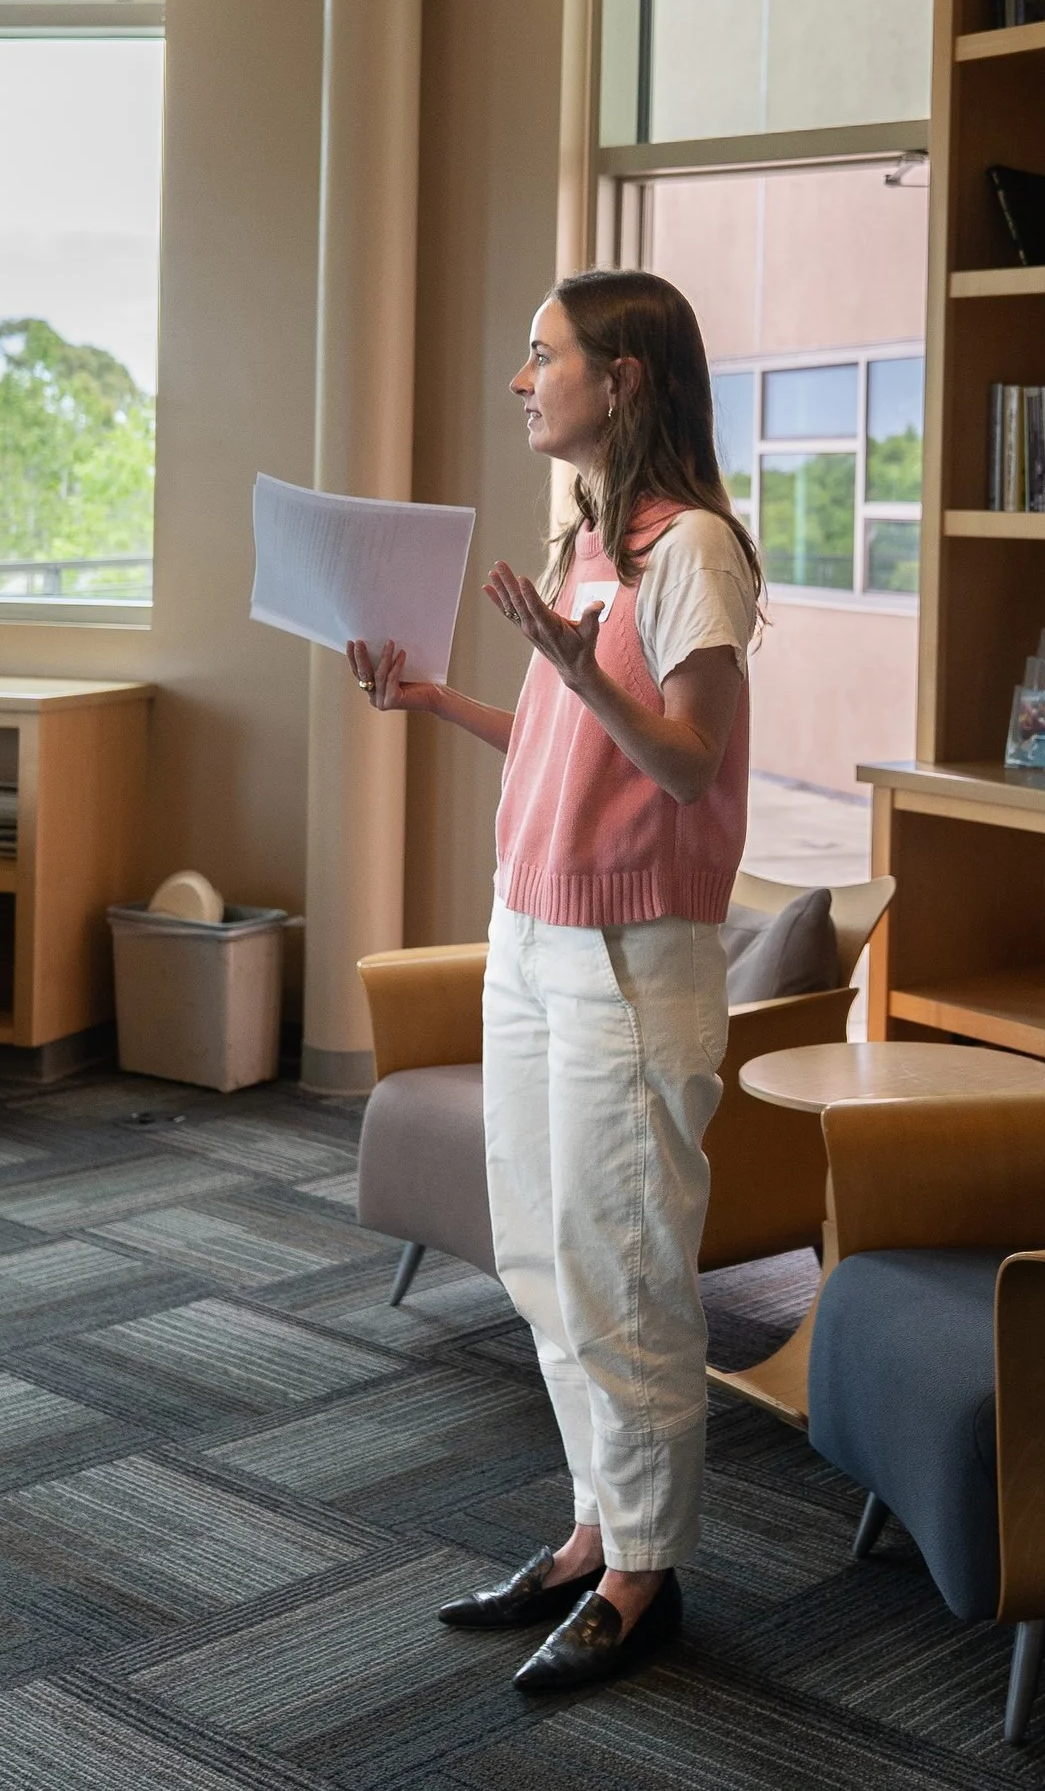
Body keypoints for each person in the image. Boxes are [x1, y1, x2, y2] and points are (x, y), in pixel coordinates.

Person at [344, 268, 762, 1693]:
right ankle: (596, 1526)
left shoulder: (692, 548)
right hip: (528, 934)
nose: (525, 382)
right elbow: (556, 749)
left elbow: (687, 760)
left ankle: (649, 1570)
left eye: (545, 358)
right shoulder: (589, 531)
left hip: (632, 959)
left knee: (622, 1259)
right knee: (535, 1246)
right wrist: (440, 696)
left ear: (624, 376)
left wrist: (587, 680)